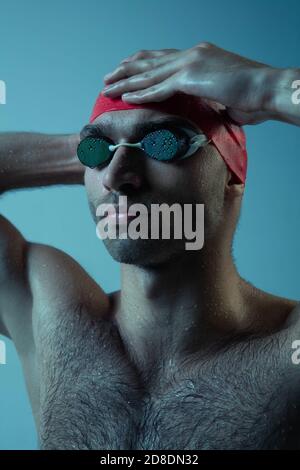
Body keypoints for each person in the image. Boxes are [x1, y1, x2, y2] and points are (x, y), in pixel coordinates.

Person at [0, 42, 300, 450]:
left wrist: (272, 88)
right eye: (96, 152)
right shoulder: (51, 320)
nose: (117, 177)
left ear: (231, 176)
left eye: (164, 143)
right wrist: (102, 144)